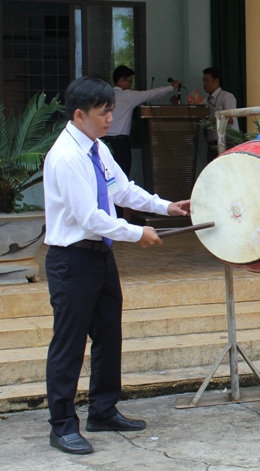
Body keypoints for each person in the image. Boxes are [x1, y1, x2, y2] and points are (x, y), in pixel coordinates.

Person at [43, 76, 190, 455]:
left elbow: (121, 190)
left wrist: (165, 207)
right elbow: (88, 216)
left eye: (110, 110)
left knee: (109, 334)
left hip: (100, 257)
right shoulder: (66, 156)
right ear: (79, 114)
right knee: (69, 344)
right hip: (72, 260)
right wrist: (135, 232)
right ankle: (62, 425)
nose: (110, 118)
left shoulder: (96, 148)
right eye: (102, 112)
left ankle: (103, 410)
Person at [106, 65, 181, 176]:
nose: (130, 85)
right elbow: (151, 94)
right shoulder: (128, 96)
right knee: (122, 177)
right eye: (129, 82)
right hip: (120, 144)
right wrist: (171, 87)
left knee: (105, 177)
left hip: (103, 142)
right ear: (121, 80)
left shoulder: (105, 96)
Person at [202, 66, 238, 162]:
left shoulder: (227, 96)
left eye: (207, 80)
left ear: (216, 81)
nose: (204, 84)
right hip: (212, 142)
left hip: (228, 141)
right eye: (203, 81)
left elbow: (230, 119)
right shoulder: (206, 101)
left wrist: (213, 120)